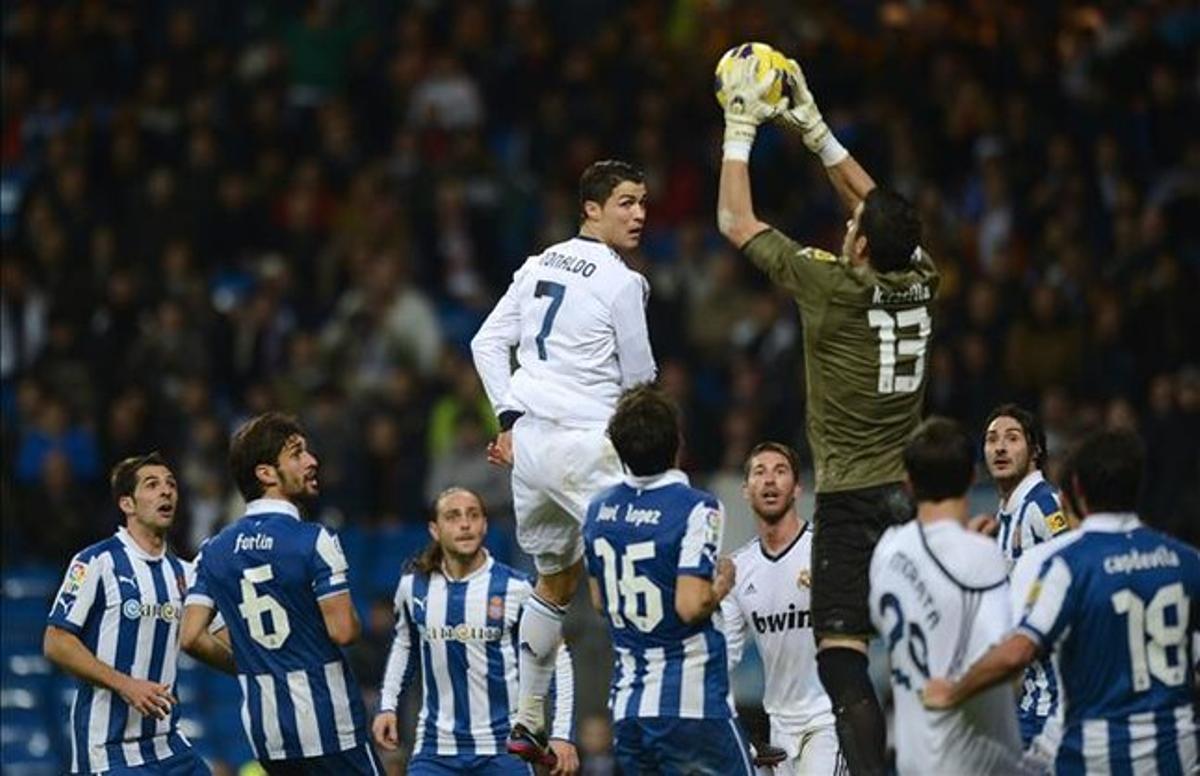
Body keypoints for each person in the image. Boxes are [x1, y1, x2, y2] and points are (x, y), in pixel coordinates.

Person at [715, 46, 939, 776]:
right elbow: (884, 216)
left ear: (861, 243)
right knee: (927, 651)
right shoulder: (922, 276)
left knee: (844, 666)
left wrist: (741, 126)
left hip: (847, 503)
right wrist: (816, 131)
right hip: (910, 495)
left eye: (855, 228)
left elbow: (734, 219)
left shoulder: (830, 287)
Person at [470, 159, 657, 763]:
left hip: (531, 450)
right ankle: (649, 706)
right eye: (626, 202)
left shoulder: (537, 264)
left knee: (554, 581)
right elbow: (641, 380)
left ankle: (527, 718)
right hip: (590, 443)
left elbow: (485, 343)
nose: (639, 214)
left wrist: (508, 420)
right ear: (592, 209)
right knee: (637, 576)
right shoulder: (621, 281)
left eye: (643, 203)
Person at [923, 429, 1200, 774]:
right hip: (1178, 753)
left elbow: (1019, 651)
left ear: (1076, 490)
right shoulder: (1186, 561)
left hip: (1097, 757)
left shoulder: (1069, 565)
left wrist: (953, 692)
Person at [180, 413, 383, 774]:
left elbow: (192, 637)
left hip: (268, 731)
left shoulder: (212, 550)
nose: (312, 461)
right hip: (328, 722)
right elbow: (344, 631)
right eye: (297, 453)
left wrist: (253, 663)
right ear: (266, 473)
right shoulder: (314, 540)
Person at [582, 386, 754, 775]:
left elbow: (598, 602)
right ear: (678, 439)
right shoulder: (696, 506)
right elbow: (690, 605)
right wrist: (723, 583)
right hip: (690, 704)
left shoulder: (597, 509)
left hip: (628, 709)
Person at [44, 452, 236, 775]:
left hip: (168, 746)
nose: (166, 491)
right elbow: (56, 642)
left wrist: (269, 667)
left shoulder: (188, 574)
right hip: (108, 751)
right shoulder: (96, 562)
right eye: (152, 484)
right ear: (127, 504)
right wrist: (125, 684)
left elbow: (224, 641)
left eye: (171, 484)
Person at [371, 487, 579, 775]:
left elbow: (557, 659)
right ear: (435, 529)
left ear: (485, 525)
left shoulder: (516, 588)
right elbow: (405, 645)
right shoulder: (413, 587)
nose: (465, 524)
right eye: (453, 516)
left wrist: (562, 733)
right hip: (435, 750)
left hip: (504, 751)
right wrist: (387, 705)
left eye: (473, 515)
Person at [868, 417, 1021, 774]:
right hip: (974, 761)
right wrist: (954, 691)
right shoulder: (982, 556)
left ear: (907, 484)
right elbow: (1008, 660)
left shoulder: (888, 549)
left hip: (915, 759)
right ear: (972, 476)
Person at [719, 442, 841, 775]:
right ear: (746, 490)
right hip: (778, 726)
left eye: (780, 471)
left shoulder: (824, 553)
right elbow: (723, 659)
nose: (770, 480)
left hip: (828, 718)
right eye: (760, 472)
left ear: (797, 488)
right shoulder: (738, 569)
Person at [980, 403, 1072, 752]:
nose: (1000, 447)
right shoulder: (1006, 515)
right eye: (992, 440)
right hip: (1033, 694)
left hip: (1056, 701)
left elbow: (1074, 569)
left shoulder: (1042, 504)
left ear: (1035, 451)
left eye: (1012, 438)